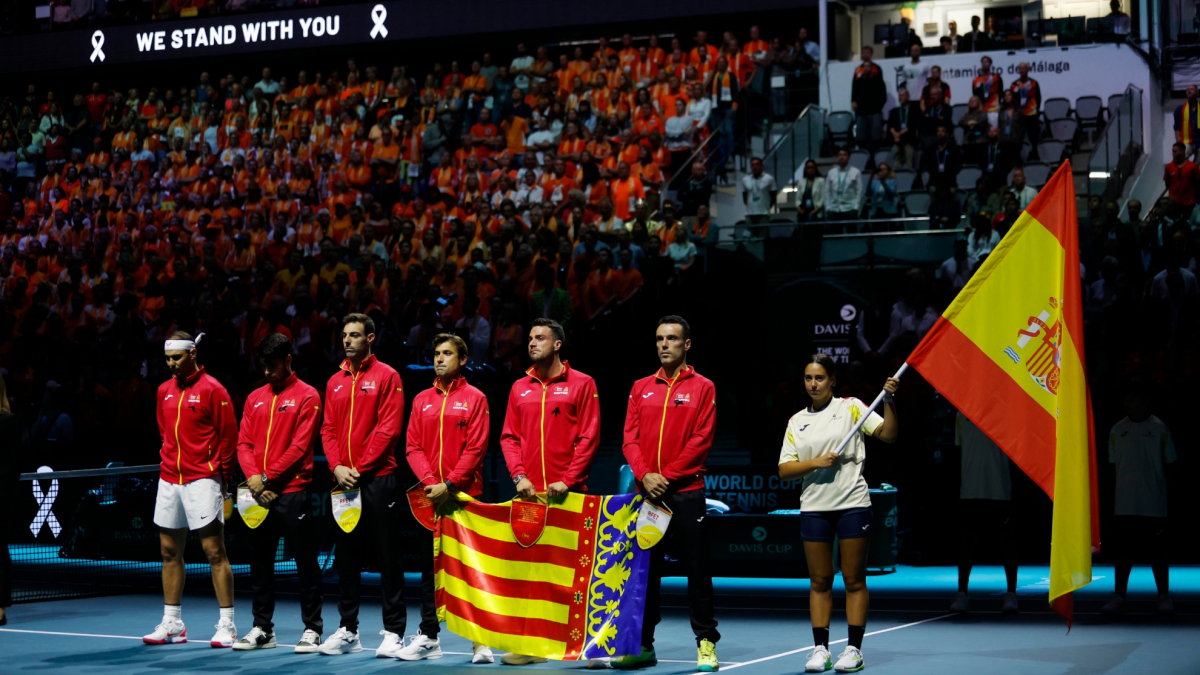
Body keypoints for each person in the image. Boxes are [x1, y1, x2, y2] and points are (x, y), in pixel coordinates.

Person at [778, 355, 899, 674]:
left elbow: (887, 434)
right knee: (819, 580)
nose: (813, 384)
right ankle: (820, 649)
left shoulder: (852, 408)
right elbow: (784, 469)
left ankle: (853, 650)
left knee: (853, 579)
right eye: (808, 378)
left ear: (832, 380)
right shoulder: (796, 421)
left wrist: (888, 401)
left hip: (852, 504)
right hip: (814, 508)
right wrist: (816, 462)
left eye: (819, 378)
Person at [614, 316, 719, 671]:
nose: (664, 345)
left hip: (687, 493)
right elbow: (629, 437)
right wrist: (645, 475)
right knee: (644, 573)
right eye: (659, 338)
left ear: (686, 344)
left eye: (672, 339)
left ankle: (706, 643)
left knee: (697, 571)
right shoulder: (641, 386)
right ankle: (643, 645)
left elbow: (701, 441)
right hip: (648, 495)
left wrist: (667, 477)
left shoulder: (704, 387)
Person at [498, 318, 601, 667]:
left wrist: (568, 480)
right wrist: (519, 476)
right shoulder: (519, 388)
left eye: (540, 338)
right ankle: (531, 646)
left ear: (557, 344)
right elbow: (510, 437)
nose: (532, 343)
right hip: (529, 497)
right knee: (529, 574)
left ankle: (590, 646)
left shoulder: (583, 384)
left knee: (577, 574)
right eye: (529, 338)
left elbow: (589, 437)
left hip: (568, 495)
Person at [398, 334, 493, 663]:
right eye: (436, 353)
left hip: (464, 497)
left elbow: (476, 448)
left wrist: (449, 485)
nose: (440, 359)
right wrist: (430, 483)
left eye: (447, 353)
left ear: (462, 359)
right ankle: (429, 637)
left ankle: (480, 641)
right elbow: (412, 446)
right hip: (430, 498)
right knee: (429, 569)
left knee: (470, 571)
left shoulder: (476, 398)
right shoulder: (421, 399)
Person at [318, 313, 408, 657]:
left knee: (388, 556)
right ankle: (348, 629)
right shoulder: (335, 381)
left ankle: (394, 631)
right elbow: (328, 429)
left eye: (354, 335)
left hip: (378, 479)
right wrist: (338, 466)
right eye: (344, 335)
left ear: (370, 338)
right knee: (347, 557)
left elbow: (389, 429)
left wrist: (358, 467)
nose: (347, 340)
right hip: (344, 481)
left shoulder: (389, 376)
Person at [143, 332, 239, 648]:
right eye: (168, 359)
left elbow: (228, 438)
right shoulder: (163, 391)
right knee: (169, 552)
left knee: (214, 552)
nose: (172, 365)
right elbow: (163, 432)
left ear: (193, 354)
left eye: (177, 358)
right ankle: (172, 623)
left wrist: (224, 481)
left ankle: (227, 624)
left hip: (204, 479)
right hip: (170, 479)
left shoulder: (214, 390)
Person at [233, 333, 325, 652]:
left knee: (305, 563)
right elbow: (243, 443)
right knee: (260, 563)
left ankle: (312, 628)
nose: (268, 372)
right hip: (258, 492)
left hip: (293, 491)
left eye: (273, 366)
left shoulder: (308, 396)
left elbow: (300, 447)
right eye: (264, 366)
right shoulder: (255, 397)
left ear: (288, 360)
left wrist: (266, 477)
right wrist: (254, 480)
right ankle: (262, 628)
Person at [1101, 383, 1176, 615]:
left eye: (1134, 399)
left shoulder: (1160, 428)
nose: (1129, 404)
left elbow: (1171, 464)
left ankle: (1164, 597)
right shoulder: (1116, 430)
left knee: (1157, 552)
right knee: (1123, 552)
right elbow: (1113, 467)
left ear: (1145, 402)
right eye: (1127, 399)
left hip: (1154, 504)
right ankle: (1119, 597)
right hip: (1125, 505)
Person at [948, 411, 1019, 614]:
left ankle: (1011, 594)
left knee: (1007, 542)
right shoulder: (962, 413)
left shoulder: (1005, 412)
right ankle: (962, 594)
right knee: (967, 542)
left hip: (999, 487)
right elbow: (959, 448)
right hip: (970, 488)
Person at [850, 47, 886, 156]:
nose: (866, 68)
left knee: (875, 137)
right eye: (863, 52)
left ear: (871, 54)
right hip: (861, 112)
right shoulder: (857, 71)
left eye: (867, 52)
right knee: (861, 137)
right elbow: (854, 88)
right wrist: (853, 101)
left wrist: (878, 107)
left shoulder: (877, 71)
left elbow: (882, 95)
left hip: (874, 111)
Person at [824, 147, 862, 226]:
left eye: (844, 155)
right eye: (839, 155)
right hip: (834, 209)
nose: (841, 157)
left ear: (849, 157)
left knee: (851, 235)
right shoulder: (831, 172)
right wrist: (828, 207)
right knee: (835, 236)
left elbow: (859, 191)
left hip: (850, 208)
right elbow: (827, 191)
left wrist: (856, 207)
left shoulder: (856, 172)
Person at [1010, 63, 1041, 154]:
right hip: (1019, 116)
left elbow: (1038, 98)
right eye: (1020, 68)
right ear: (1018, 70)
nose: (1022, 70)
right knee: (1019, 139)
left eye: (1024, 68)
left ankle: (1034, 155)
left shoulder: (1034, 83)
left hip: (1031, 115)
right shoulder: (1014, 84)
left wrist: (1036, 110)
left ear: (1028, 69)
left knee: (1033, 138)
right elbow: (1012, 100)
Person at [1164, 142, 1200, 221]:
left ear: (1182, 151)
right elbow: (1167, 184)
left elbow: (1198, 183)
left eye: (1175, 151)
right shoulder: (1169, 167)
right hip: (1174, 203)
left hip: (1189, 203)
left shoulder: (1193, 167)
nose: (1172, 153)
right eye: (1172, 151)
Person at [886, 88, 919, 170]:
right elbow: (890, 125)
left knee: (908, 162)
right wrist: (895, 134)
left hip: (909, 140)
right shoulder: (894, 111)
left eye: (903, 95)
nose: (901, 97)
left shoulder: (914, 110)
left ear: (908, 97)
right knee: (896, 161)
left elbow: (912, 125)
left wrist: (899, 134)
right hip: (896, 141)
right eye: (899, 96)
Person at [742, 156, 777, 224]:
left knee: (762, 234)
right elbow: (744, 196)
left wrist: (766, 207)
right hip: (749, 213)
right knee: (749, 234)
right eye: (752, 165)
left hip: (764, 213)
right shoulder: (745, 180)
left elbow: (773, 197)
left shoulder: (769, 179)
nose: (755, 167)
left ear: (761, 166)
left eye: (757, 165)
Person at [1172, 84, 1200, 155]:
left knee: (1196, 165)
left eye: (1192, 89)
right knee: (1179, 159)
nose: (1189, 91)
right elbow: (1177, 128)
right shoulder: (1180, 109)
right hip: (1186, 142)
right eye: (1187, 89)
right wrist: (1179, 144)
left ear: (1197, 93)